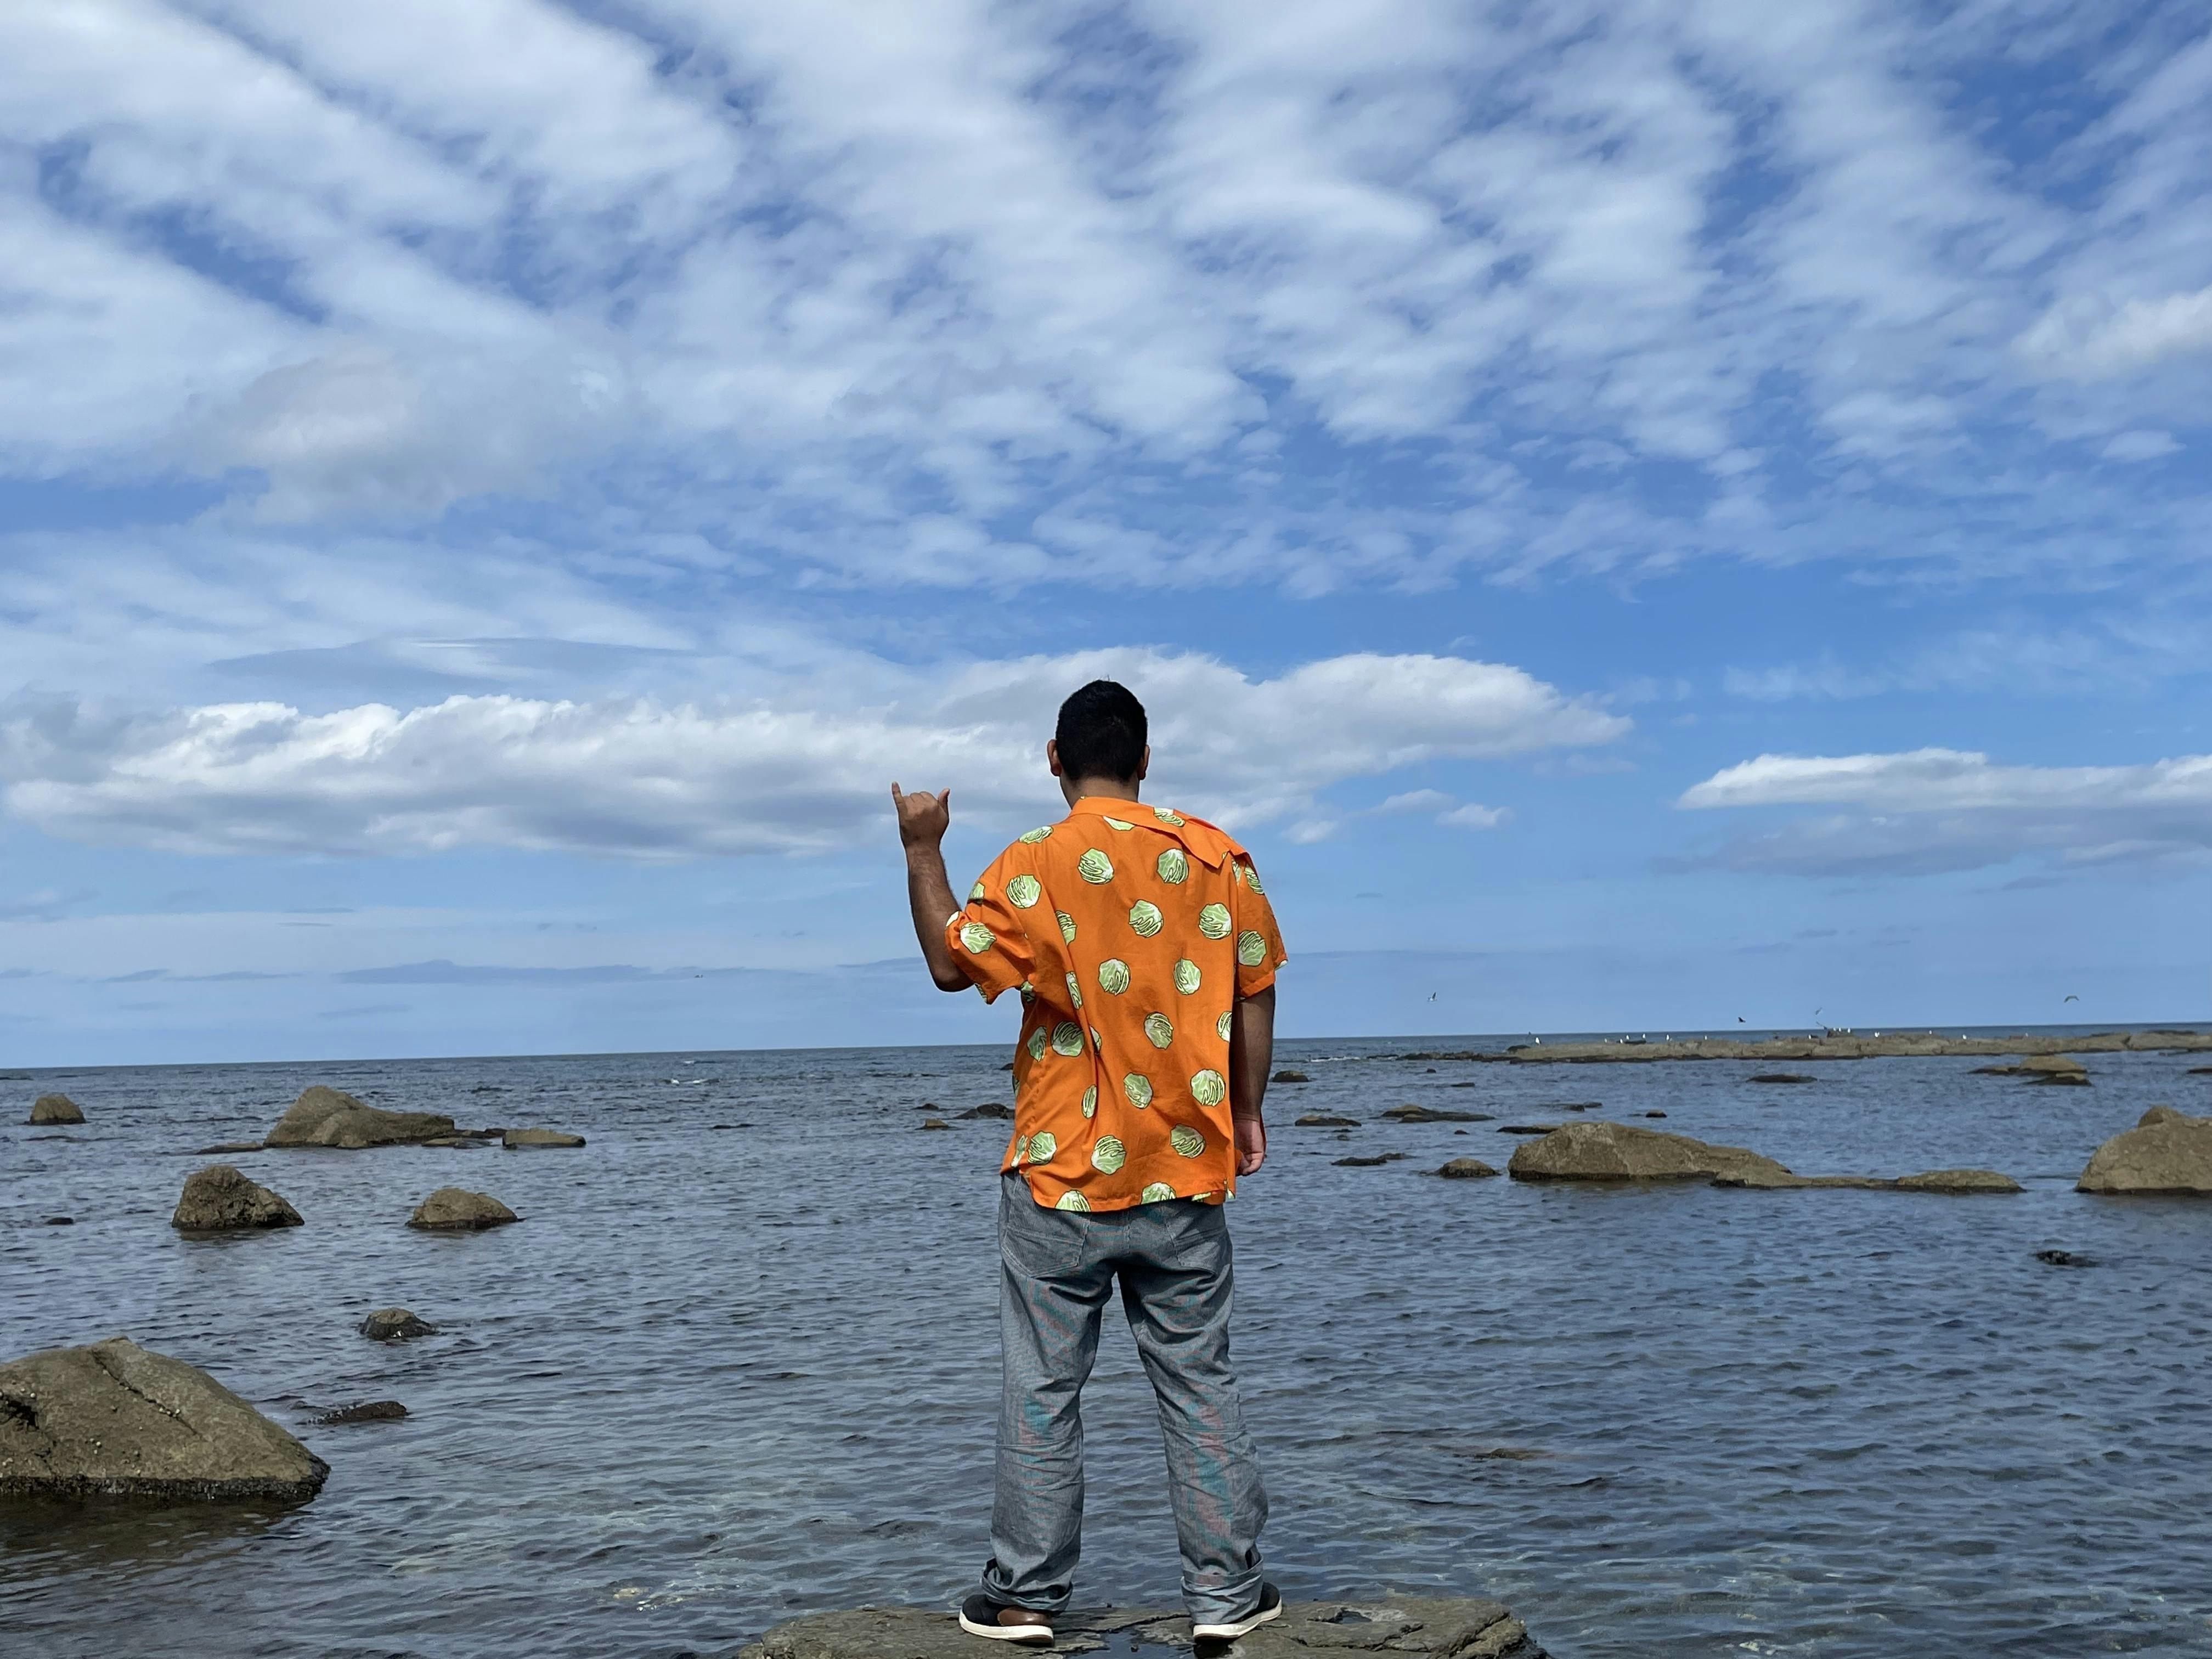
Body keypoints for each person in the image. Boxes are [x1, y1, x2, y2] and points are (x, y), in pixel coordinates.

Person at [891, 678, 1286, 1647]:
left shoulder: (1033, 863)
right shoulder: (1218, 857)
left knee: (1042, 1387)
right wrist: (1246, 1111)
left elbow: (951, 964)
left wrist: (922, 847)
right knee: (1199, 1382)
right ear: (1145, 759)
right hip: (1183, 1167)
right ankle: (1226, 1600)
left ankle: (1027, 1598)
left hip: (1060, 1171)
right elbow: (1254, 991)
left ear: (1054, 760)